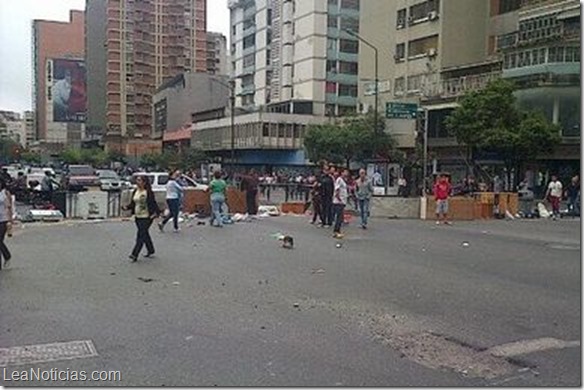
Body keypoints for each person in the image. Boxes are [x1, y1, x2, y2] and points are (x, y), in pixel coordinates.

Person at [123, 175, 160, 262]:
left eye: (139, 180)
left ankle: (134, 254)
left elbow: (153, 203)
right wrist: (126, 207)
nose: (137, 182)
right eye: (137, 180)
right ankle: (151, 250)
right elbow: (133, 203)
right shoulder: (136, 191)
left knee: (140, 235)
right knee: (145, 234)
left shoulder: (148, 192)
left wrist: (157, 213)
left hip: (147, 217)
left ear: (144, 182)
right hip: (138, 216)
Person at [0, 179, 14, 270]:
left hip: (3, 220)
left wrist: (10, 220)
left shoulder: (5, 193)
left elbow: (9, 207)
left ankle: (7, 255)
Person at [332, 169, 349, 239]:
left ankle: (337, 230)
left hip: (342, 201)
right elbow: (337, 189)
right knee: (339, 217)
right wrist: (339, 198)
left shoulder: (343, 180)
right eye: (345, 172)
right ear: (342, 173)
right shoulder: (339, 180)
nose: (347, 173)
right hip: (339, 202)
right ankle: (336, 231)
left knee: (340, 217)